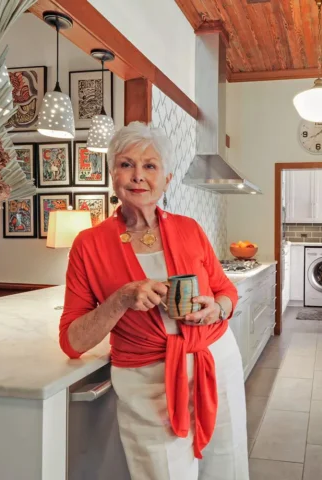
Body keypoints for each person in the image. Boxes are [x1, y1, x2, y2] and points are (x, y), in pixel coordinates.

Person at [58, 122, 249, 479]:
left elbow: (227, 291)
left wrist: (217, 309)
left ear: (167, 178)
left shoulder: (189, 229)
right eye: (126, 164)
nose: (137, 176)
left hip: (215, 362)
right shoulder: (89, 244)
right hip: (146, 379)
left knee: (226, 463)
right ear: (112, 174)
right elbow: (72, 341)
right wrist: (121, 299)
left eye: (150, 166)